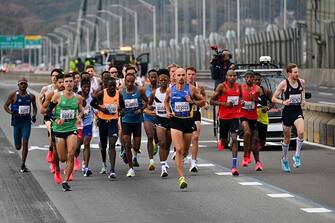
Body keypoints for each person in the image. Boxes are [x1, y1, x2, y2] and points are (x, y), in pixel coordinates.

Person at [165, 68, 205, 189]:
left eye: (183, 75)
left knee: (185, 151)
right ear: (174, 77)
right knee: (179, 149)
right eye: (179, 75)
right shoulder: (170, 89)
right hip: (175, 121)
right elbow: (166, 101)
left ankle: (183, 158)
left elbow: (203, 102)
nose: (181, 77)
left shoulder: (191, 89)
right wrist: (168, 111)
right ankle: (181, 177)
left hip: (188, 121)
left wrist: (192, 102)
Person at [46, 73, 84, 191]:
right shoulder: (57, 96)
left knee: (71, 154)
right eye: (66, 81)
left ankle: (65, 181)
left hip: (71, 128)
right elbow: (48, 111)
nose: (68, 83)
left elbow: (82, 111)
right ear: (64, 83)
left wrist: (80, 116)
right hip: (58, 130)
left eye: (70, 81)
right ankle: (59, 169)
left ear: (74, 83)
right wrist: (55, 119)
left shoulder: (78, 98)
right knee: (62, 158)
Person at [272, 63, 305, 172]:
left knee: (300, 132)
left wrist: (303, 100)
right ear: (289, 73)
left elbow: (302, 90)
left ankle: (297, 156)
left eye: (298, 72)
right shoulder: (284, 84)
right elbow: (273, 98)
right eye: (295, 72)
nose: (297, 74)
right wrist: (283, 102)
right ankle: (285, 159)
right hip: (287, 113)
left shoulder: (301, 82)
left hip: (297, 111)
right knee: (287, 138)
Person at [91, 77, 125, 178]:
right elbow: (92, 103)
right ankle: (104, 163)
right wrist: (101, 108)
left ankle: (112, 170)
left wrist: (122, 111)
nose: (112, 88)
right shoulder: (102, 93)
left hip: (113, 122)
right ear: (106, 86)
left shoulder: (119, 94)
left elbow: (123, 107)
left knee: (112, 145)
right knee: (103, 145)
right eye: (110, 86)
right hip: (102, 122)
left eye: (114, 86)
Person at [210, 70, 241, 176]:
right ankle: (222, 140)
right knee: (224, 141)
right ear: (226, 77)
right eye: (230, 76)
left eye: (234, 76)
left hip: (235, 116)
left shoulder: (239, 87)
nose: (232, 77)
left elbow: (241, 97)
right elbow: (211, 101)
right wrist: (224, 104)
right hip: (223, 117)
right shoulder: (221, 87)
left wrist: (241, 101)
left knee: (234, 139)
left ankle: (234, 166)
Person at [3, 78, 37, 172]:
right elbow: (5, 106)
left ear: (27, 85)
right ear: (18, 85)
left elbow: (35, 108)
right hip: (16, 123)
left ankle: (23, 164)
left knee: (25, 143)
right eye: (21, 84)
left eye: (25, 84)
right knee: (18, 146)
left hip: (26, 123)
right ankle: (20, 150)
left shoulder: (31, 96)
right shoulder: (13, 95)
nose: (23, 85)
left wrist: (34, 115)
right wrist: (11, 112)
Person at [121, 67, 148, 177]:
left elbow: (147, 102)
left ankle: (132, 153)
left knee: (136, 147)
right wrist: (120, 111)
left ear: (135, 81)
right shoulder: (120, 91)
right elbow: (117, 104)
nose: (130, 83)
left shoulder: (140, 90)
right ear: (124, 81)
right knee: (127, 144)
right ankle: (130, 168)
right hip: (126, 121)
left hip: (136, 121)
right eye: (128, 81)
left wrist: (141, 109)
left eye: (132, 81)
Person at [41, 74, 64, 184]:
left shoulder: (71, 95)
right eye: (60, 82)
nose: (62, 84)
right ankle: (52, 155)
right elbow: (43, 110)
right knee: (53, 136)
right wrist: (52, 113)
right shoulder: (51, 94)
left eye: (64, 82)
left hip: (64, 121)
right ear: (56, 83)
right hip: (50, 119)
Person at [149, 69, 171, 177]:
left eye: (165, 80)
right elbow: (148, 105)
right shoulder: (154, 93)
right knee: (162, 143)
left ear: (169, 80)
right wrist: (149, 110)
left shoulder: (172, 91)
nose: (163, 81)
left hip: (171, 120)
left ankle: (165, 160)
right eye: (161, 79)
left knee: (168, 144)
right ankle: (163, 168)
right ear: (158, 80)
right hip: (160, 119)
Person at [38, 69, 63, 164]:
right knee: (52, 134)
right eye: (53, 75)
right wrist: (49, 110)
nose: (54, 77)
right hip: (50, 116)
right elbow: (41, 102)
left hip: (62, 118)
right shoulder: (47, 89)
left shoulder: (68, 92)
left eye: (56, 75)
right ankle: (51, 150)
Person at [186, 67, 208, 172]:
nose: (191, 76)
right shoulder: (180, 87)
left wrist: (204, 103)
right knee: (184, 140)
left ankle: (194, 163)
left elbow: (203, 99)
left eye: (193, 74)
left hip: (195, 113)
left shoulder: (199, 87)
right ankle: (183, 153)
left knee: (195, 137)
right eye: (189, 74)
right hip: (183, 115)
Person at [240, 70, 263, 168]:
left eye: (251, 77)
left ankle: (258, 162)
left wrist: (256, 100)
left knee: (254, 140)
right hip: (243, 114)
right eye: (247, 77)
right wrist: (240, 101)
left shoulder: (257, 89)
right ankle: (246, 156)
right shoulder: (241, 88)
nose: (249, 79)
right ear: (245, 78)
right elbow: (236, 98)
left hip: (253, 116)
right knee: (247, 133)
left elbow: (264, 102)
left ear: (253, 79)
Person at [253, 72, 273, 171]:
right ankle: (257, 162)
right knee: (255, 138)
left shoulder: (266, 91)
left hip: (263, 117)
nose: (257, 81)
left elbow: (272, 102)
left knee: (262, 141)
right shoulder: (247, 91)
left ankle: (258, 146)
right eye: (255, 79)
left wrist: (267, 108)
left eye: (258, 80)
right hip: (252, 116)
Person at [76, 78, 94, 177]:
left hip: (88, 124)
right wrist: (79, 115)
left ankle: (86, 167)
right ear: (81, 87)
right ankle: (72, 163)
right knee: (77, 147)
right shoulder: (76, 97)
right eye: (85, 87)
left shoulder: (92, 97)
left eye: (88, 87)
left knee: (86, 143)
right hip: (77, 125)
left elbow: (95, 109)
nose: (87, 89)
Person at [143, 69, 159, 171]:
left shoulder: (162, 89)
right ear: (148, 78)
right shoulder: (144, 89)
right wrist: (146, 110)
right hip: (148, 116)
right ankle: (151, 161)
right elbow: (142, 103)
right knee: (149, 136)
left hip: (160, 116)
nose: (153, 79)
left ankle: (156, 144)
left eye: (155, 77)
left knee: (159, 139)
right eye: (151, 77)